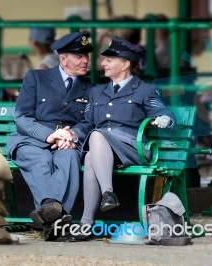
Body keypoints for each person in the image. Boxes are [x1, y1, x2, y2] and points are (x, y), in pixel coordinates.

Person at [66, 35, 176, 241]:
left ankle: (107, 194)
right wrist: (71, 133)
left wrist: (163, 119)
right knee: (90, 156)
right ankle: (86, 223)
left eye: (108, 60)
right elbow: (87, 123)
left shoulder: (144, 89)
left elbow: (164, 112)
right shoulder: (97, 92)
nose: (102, 63)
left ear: (125, 63)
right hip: (103, 152)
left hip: (132, 147)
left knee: (97, 136)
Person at [6, 31, 94, 241]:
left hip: (66, 142)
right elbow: (22, 118)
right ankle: (56, 218)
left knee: (70, 157)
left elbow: (88, 122)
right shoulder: (37, 77)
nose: (85, 61)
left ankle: (48, 217)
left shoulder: (90, 89)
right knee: (41, 160)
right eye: (79, 56)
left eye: (86, 56)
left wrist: (71, 134)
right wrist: (50, 135)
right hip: (32, 140)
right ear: (63, 59)